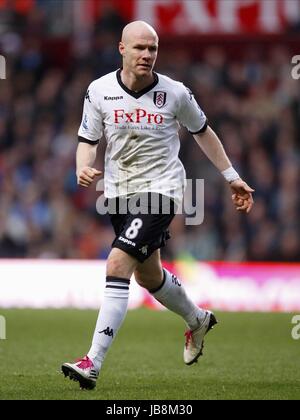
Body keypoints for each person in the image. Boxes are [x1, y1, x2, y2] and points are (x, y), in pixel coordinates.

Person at [61, 21, 254, 390]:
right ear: (122, 49)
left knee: (118, 264)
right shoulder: (98, 90)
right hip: (118, 194)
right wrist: (81, 166)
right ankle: (197, 320)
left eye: (152, 48)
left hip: (161, 191)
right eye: (139, 48)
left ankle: (92, 361)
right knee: (148, 275)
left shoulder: (176, 93)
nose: (147, 55)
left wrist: (231, 176)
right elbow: (87, 137)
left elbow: (203, 132)